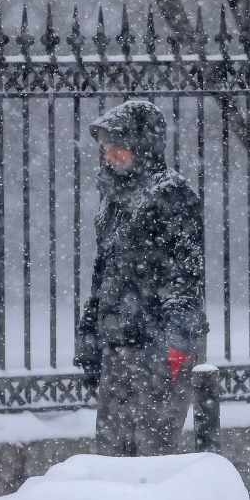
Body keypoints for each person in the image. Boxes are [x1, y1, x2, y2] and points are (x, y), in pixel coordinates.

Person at [74, 100, 206, 457]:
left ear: (143, 146)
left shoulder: (170, 194)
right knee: (112, 454)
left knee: (154, 452)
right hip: (118, 345)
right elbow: (104, 275)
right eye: (106, 147)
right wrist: (89, 335)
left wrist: (173, 345)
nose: (109, 154)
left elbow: (185, 275)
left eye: (119, 145)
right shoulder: (114, 198)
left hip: (158, 344)